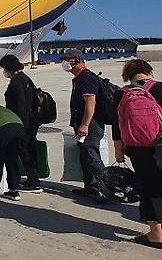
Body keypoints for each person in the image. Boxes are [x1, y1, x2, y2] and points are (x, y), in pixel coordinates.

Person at [112, 60, 162, 249]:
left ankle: (156, 233)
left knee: (149, 187)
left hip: (137, 149)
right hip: (160, 145)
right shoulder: (159, 88)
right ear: (148, 71)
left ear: (128, 75)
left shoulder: (121, 93)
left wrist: (118, 151)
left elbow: (116, 126)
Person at [61, 48, 107, 200]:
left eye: (67, 60)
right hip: (83, 124)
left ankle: (107, 189)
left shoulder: (87, 78)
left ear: (76, 61)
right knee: (85, 157)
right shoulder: (79, 78)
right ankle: (91, 187)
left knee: (92, 157)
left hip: (91, 125)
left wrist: (85, 124)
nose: (64, 63)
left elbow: (90, 102)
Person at [0, 54, 42, 193]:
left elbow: (20, 105)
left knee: (22, 151)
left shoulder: (17, 81)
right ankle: (33, 179)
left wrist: (18, 125)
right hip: (31, 121)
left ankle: (32, 182)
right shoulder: (25, 78)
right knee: (28, 150)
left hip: (22, 122)